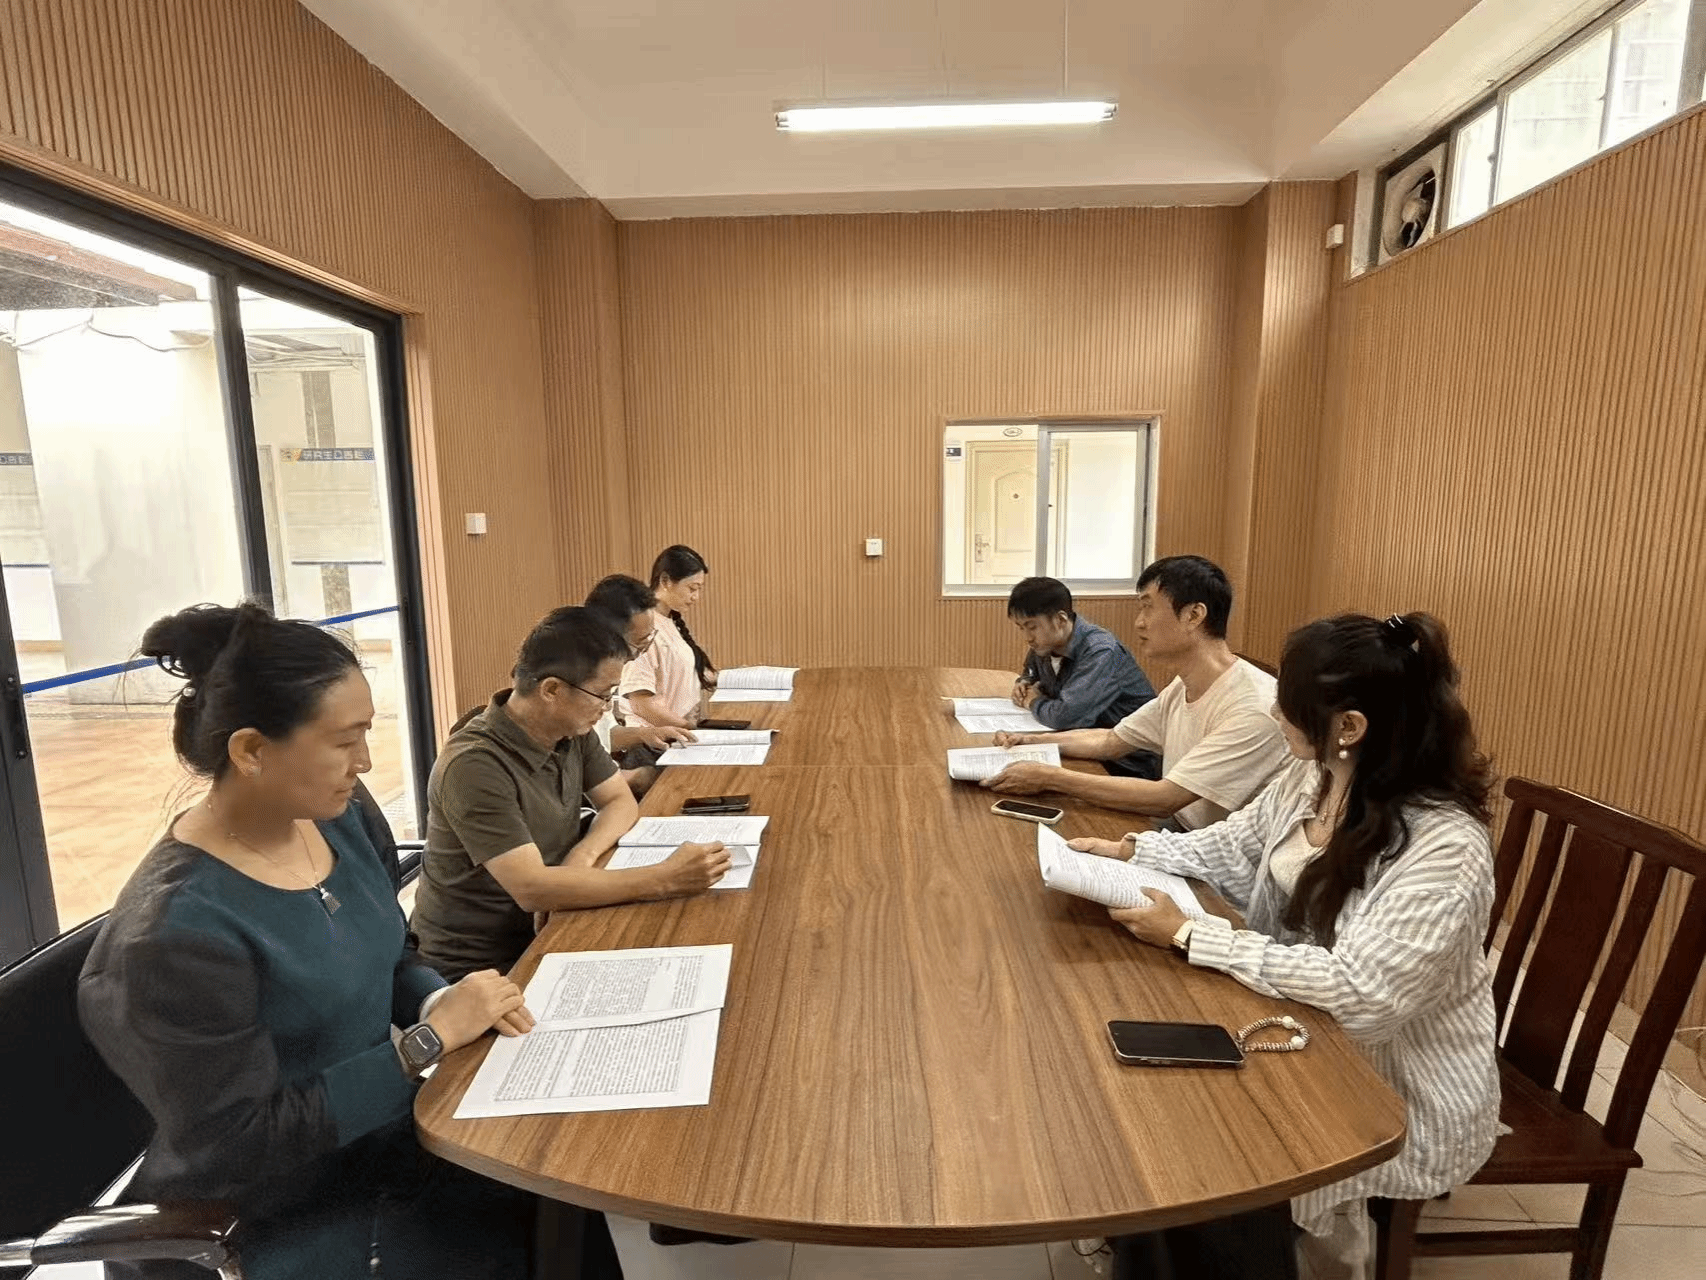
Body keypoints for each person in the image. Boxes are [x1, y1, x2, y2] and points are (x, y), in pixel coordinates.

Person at [78, 602, 547, 1280]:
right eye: (343, 741)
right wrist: (425, 1043)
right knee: (541, 1230)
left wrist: (441, 1000)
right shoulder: (174, 936)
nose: (365, 761)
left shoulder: (338, 817)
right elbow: (240, 1141)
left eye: (367, 733)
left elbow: (393, 953)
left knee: (564, 1209)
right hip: (270, 1208)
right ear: (251, 750)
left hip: (383, 1140)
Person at [1072, 612, 1500, 1279]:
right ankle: (1152, 1246)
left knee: (1219, 1153)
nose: (1274, 710)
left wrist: (1193, 932)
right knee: (1148, 1094)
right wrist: (1134, 851)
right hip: (1294, 1017)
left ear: (1349, 727)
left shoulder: (1444, 847)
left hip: (1393, 1078)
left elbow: (1364, 999)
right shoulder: (1318, 775)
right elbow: (1235, 844)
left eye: (1288, 702)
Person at [411, 606, 729, 983]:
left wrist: (582, 856)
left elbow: (619, 801)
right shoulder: (473, 765)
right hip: (482, 968)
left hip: (556, 919)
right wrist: (665, 879)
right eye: (602, 695)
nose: (606, 709)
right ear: (551, 690)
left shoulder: (571, 730)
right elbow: (531, 888)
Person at [986, 555, 1288, 830]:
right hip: (1179, 825)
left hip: (1205, 845)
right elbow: (1110, 740)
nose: (1139, 622)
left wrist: (1049, 777)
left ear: (1193, 615)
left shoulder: (1252, 706)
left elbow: (1165, 798)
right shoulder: (1183, 685)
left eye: (1147, 607)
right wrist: (1029, 741)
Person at [1006, 575, 1159, 779]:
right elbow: (1030, 671)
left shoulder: (1101, 651)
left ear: (1060, 620)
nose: (1027, 637)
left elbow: (1066, 718)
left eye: (1032, 627)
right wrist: (1024, 682)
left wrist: (1032, 701)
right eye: (1021, 628)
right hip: (1081, 746)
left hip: (1127, 764)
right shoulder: (1045, 644)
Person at [585, 573, 696, 796]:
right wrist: (637, 777)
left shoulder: (607, 669)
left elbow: (604, 735)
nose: (642, 652)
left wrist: (645, 734)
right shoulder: (579, 677)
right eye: (640, 642)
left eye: (649, 639)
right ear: (609, 635)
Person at [619, 545, 715, 749]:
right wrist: (690, 728)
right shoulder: (644, 627)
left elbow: (681, 672)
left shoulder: (669, 620)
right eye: (692, 588)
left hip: (676, 736)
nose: (696, 597)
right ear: (665, 581)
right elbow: (641, 705)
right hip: (654, 743)